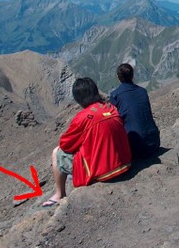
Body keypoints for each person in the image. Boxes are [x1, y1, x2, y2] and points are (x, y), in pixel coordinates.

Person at [42, 77, 132, 207]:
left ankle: (59, 194)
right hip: (125, 163)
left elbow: (66, 145)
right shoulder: (111, 108)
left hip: (104, 171)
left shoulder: (83, 117)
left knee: (57, 152)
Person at [109, 63, 160, 160]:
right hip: (154, 142)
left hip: (134, 147)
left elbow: (115, 121)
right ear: (132, 75)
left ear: (118, 77)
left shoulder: (115, 95)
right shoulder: (143, 91)